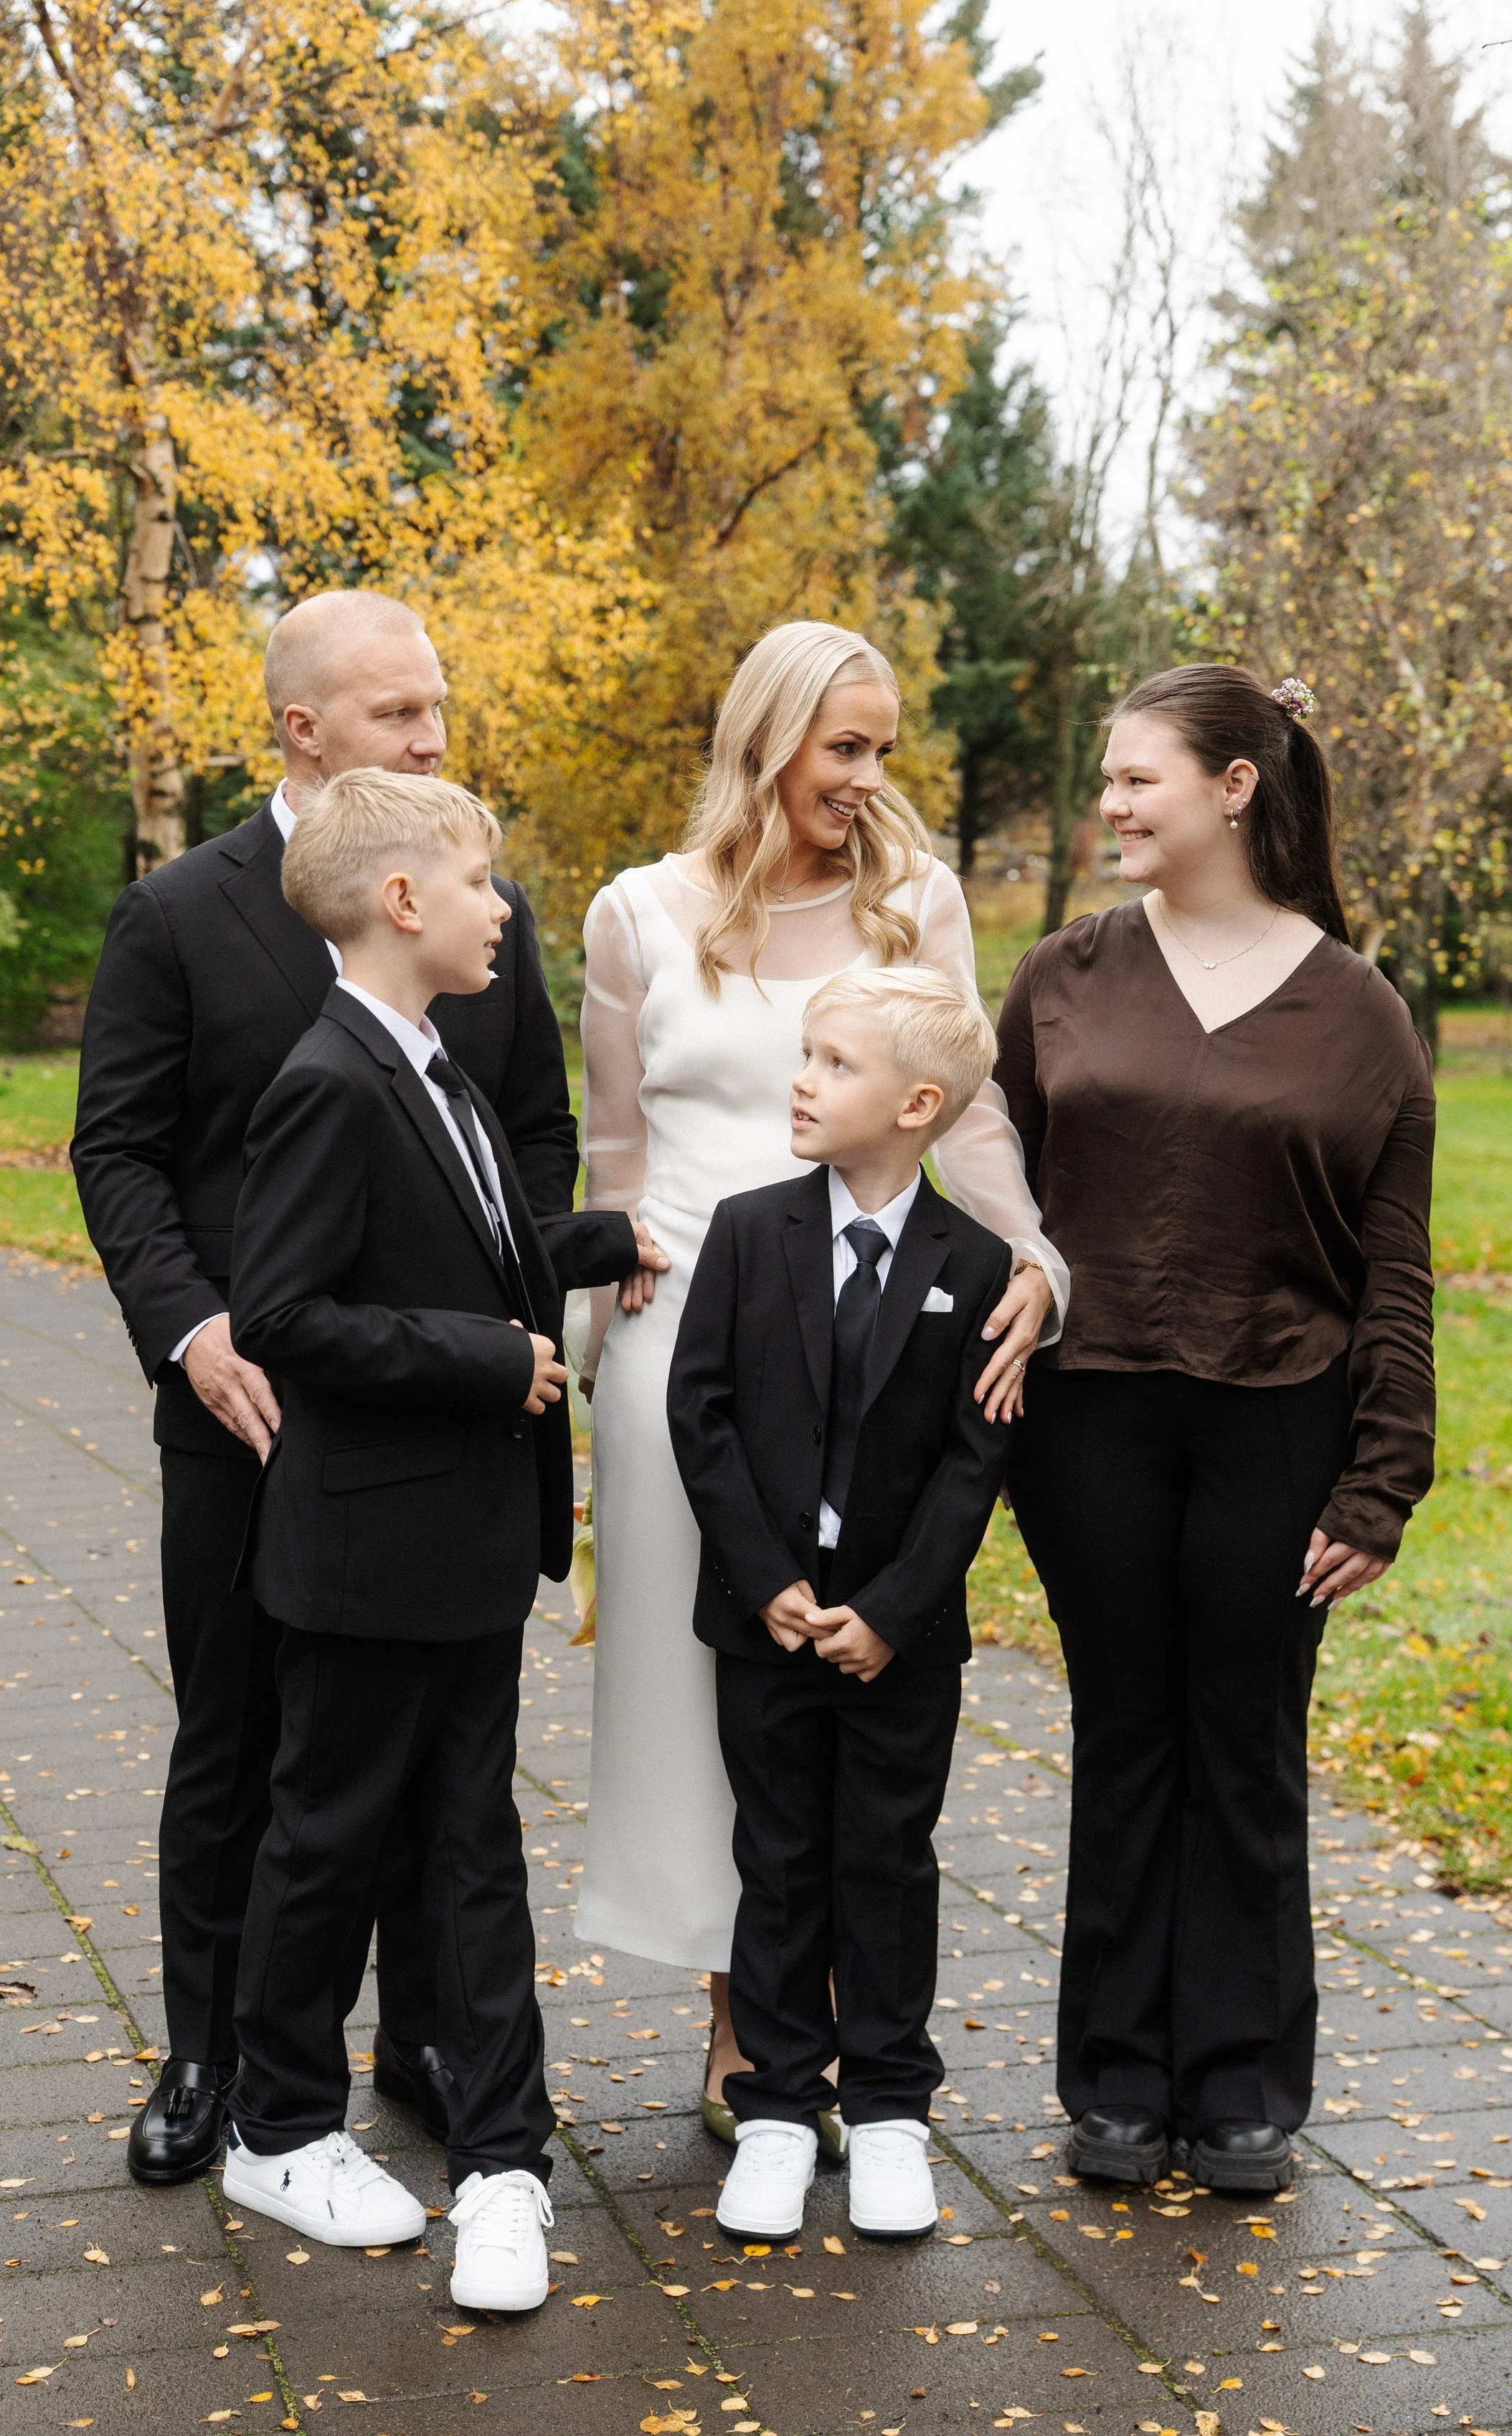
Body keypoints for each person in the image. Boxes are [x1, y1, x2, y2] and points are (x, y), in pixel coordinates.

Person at [71, 589, 644, 2184]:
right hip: (245, 1405)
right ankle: (219, 2052)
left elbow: (521, 1132)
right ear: (300, 726)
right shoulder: (179, 914)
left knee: (427, 1749)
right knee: (243, 1737)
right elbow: (117, 1148)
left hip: (438, 1416)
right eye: (398, 712)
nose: (433, 733)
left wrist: (515, 1306)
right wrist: (197, 1329)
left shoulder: (475, 908)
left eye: (439, 706)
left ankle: (428, 2041)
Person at [576, 618, 1069, 2137]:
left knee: (854, 1672)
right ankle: (743, 2019)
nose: (865, 778)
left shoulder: (912, 902)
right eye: (841, 747)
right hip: (689, 1352)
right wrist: (607, 1300)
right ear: (766, 739)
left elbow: (965, 1117)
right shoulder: (636, 914)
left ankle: (855, 2015)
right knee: (706, 1690)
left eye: (880, 750)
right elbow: (614, 1142)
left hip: (877, 1338)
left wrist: (1039, 1262)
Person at [993, 664, 1436, 2196]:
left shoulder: (1359, 1008)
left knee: (1242, 1746)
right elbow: (994, 1202)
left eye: (1135, 778)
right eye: (1106, 779)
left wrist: (1381, 1479)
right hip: (1088, 1418)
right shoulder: (1060, 973)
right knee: (1123, 1737)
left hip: (1280, 1421)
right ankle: (1114, 2081)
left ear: (1232, 786)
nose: (1108, 803)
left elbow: (1392, 1261)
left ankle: (1243, 2082)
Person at [222, 770, 652, 2297]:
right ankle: (276, 2128)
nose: (502, 909)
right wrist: (487, 1363)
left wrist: (593, 1247)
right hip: (361, 1559)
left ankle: (501, 2161)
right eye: (482, 883)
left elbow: (463, 1246)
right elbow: (280, 1313)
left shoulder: (434, 1065)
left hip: (461, 1551)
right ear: (402, 902)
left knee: (473, 1853)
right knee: (330, 1840)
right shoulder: (329, 1079)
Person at [668, 966, 1016, 2247]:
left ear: (917, 1103)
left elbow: (975, 1460)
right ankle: (772, 2107)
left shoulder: (974, 1265)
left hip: (897, 1639)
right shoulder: (749, 1230)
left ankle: (886, 2113)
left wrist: (893, 1608)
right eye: (803, 1055)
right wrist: (769, 1582)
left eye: (832, 1063)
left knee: (886, 1856)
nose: (801, 1081)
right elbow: (697, 1412)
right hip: (765, 1622)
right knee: (778, 1856)